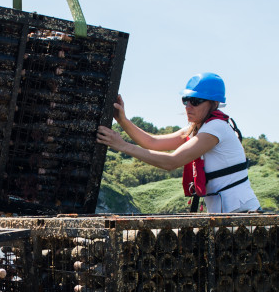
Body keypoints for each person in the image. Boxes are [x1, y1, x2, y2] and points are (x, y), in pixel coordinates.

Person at [95, 72, 260, 214]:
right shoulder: (198, 128)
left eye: (195, 101)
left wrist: (122, 145)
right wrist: (123, 120)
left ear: (214, 103)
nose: (188, 106)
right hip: (228, 213)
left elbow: (171, 162)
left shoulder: (215, 128)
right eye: (186, 100)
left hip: (241, 212)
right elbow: (151, 142)